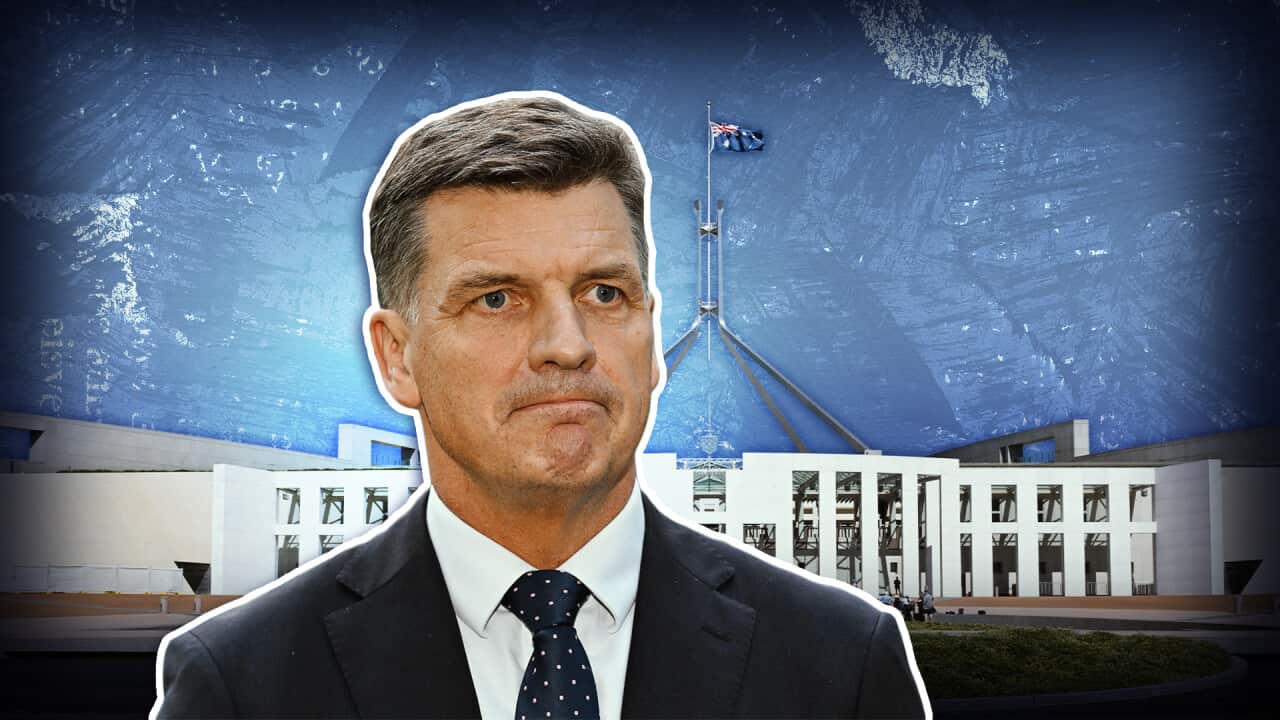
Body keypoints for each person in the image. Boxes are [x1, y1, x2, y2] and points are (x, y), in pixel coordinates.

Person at [151, 92, 929, 719]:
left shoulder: (841, 664)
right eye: (497, 298)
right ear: (397, 356)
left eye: (603, 291)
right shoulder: (241, 685)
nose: (568, 343)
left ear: (653, 336)